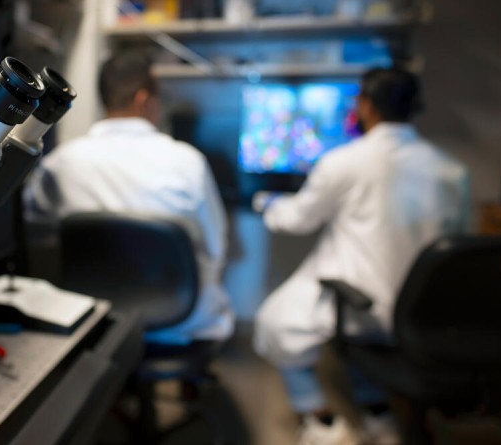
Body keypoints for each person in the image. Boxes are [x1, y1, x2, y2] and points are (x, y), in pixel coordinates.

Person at [252, 68, 470, 444]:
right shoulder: (453, 171)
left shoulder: (345, 161)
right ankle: (376, 412)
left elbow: (298, 219)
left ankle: (319, 420)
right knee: (362, 339)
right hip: (422, 315)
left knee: (274, 324)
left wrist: (268, 204)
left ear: (365, 106)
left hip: (362, 306)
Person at [24, 50, 233, 344]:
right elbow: (216, 246)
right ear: (143, 100)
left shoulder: (59, 163)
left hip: (92, 323)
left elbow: (35, 235)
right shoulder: (187, 162)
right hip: (177, 324)